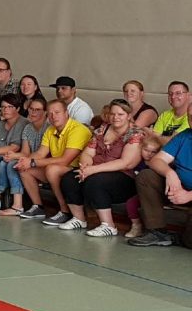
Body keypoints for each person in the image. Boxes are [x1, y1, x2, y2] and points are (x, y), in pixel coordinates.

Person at [56, 100, 145, 236]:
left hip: (124, 177)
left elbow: (126, 163)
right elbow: (87, 152)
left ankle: (108, 225)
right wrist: (85, 166)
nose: (116, 117)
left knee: (95, 181)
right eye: (113, 114)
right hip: (96, 171)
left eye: (120, 114)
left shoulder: (135, 134)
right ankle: (79, 219)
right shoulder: (102, 129)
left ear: (128, 115)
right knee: (70, 178)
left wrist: (93, 170)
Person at [22, 100, 94, 225]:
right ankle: (38, 207)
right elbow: (40, 153)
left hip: (78, 170)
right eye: (50, 113)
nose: (53, 116)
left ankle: (64, 211)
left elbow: (66, 160)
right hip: (60, 168)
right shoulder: (50, 130)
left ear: (66, 113)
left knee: (51, 169)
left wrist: (33, 162)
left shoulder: (78, 129)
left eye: (57, 112)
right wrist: (26, 161)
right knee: (25, 169)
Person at [128, 130, 192, 246]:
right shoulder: (184, 136)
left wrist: (188, 195)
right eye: (190, 117)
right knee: (146, 176)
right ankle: (157, 231)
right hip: (178, 188)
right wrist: (169, 173)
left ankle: (181, 238)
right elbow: (156, 160)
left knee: (190, 242)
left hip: (188, 194)